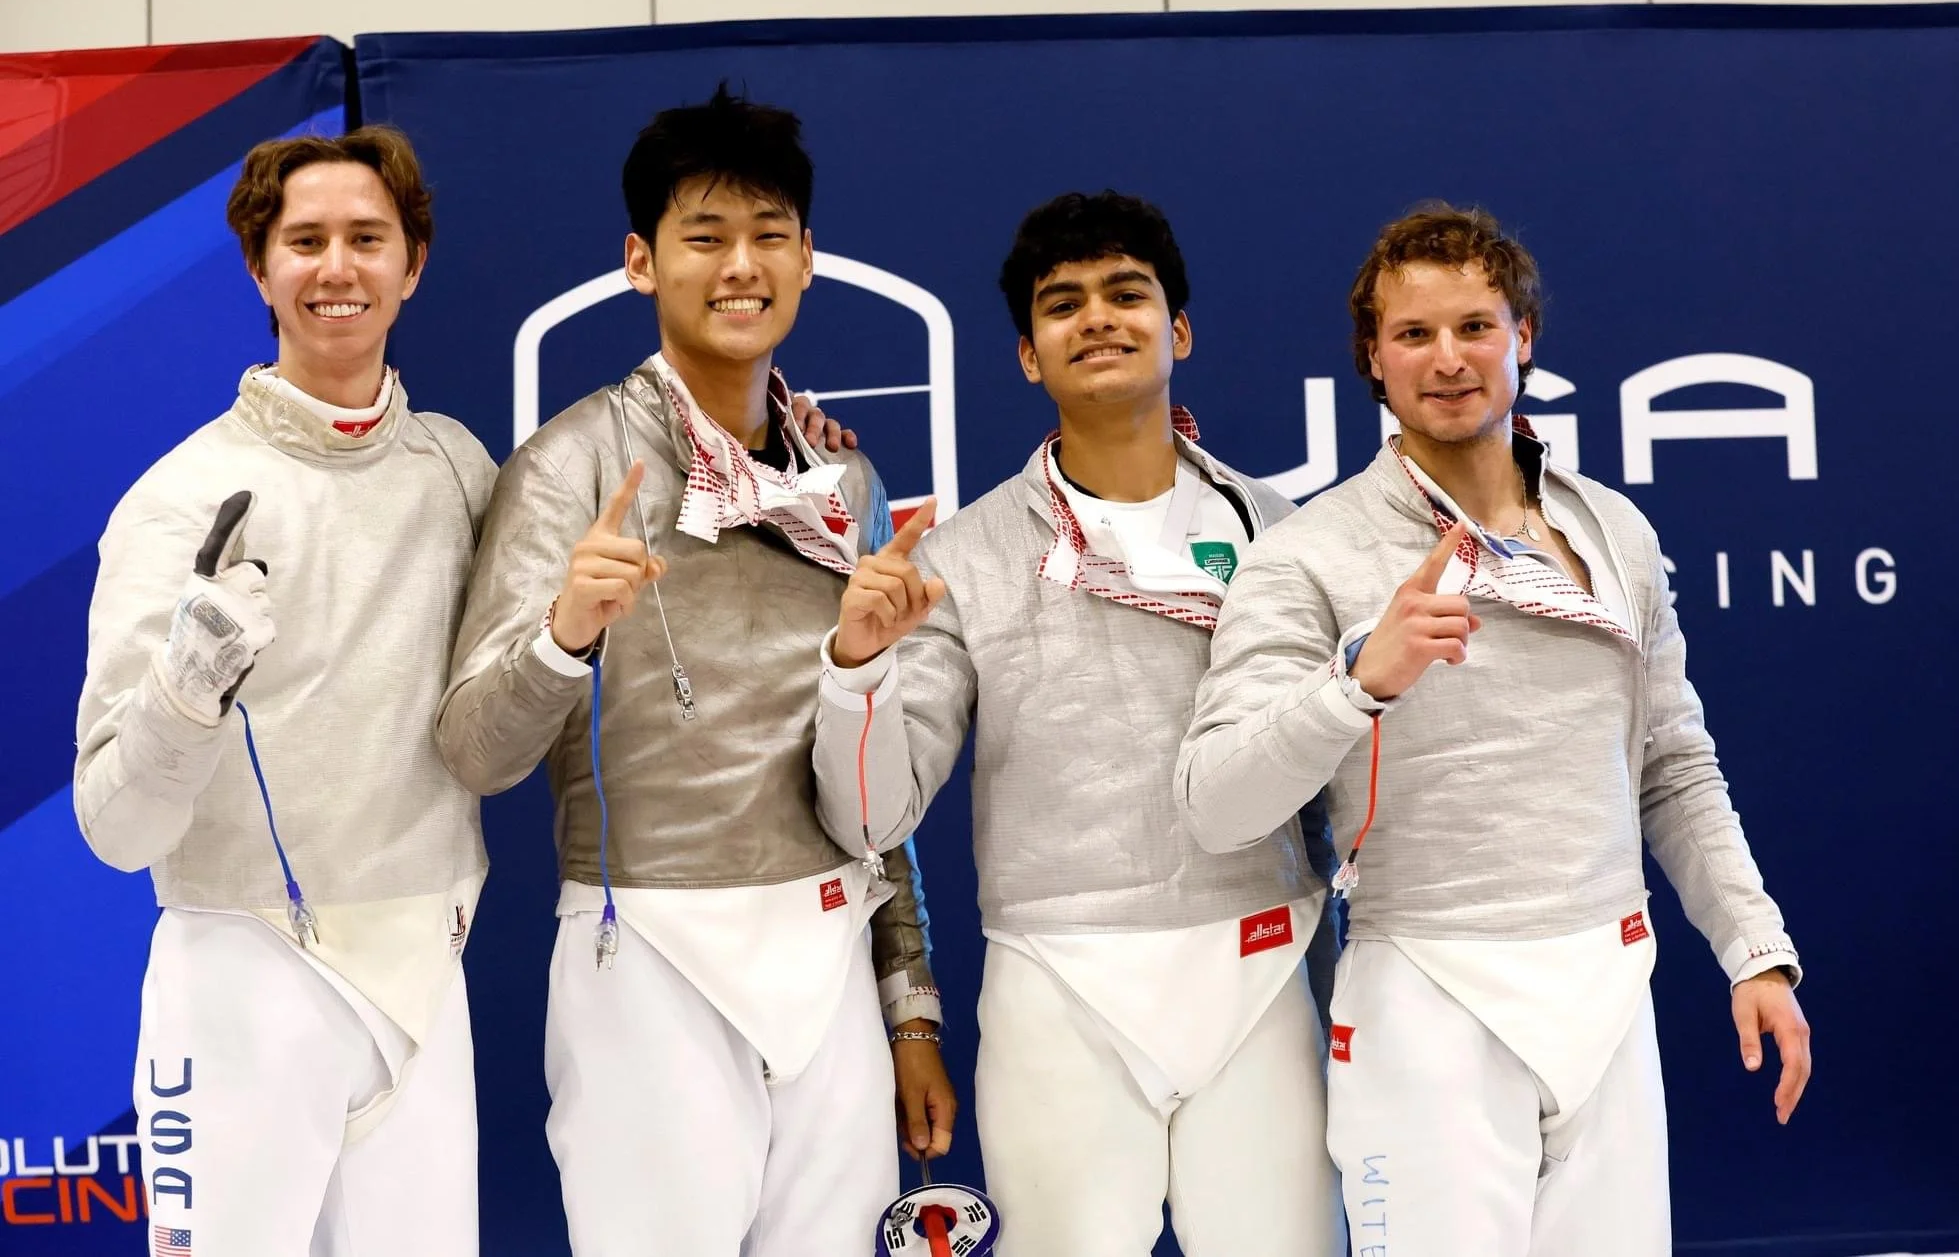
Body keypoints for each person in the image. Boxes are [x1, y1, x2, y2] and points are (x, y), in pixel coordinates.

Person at [1175, 202, 1812, 1256]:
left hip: (1606, 980)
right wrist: (1357, 683)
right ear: (1371, 363)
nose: (1447, 359)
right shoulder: (1308, 555)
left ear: (1523, 339)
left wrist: (1753, 951)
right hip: (1427, 998)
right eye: (1412, 334)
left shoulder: (1612, 528)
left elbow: (1671, 766)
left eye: (1473, 326)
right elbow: (1215, 804)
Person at [434, 85, 951, 1256]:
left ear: (808, 258)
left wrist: (907, 1009)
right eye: (704, 237)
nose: (740, 266)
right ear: (639, 261)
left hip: (826, 957)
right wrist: (564, 633)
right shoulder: (571, 463)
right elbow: (473, 747)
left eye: (768, 234)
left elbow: (872, 776)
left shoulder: (842, 480)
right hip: (647, 954)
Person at [812, 191, 1342, 1256]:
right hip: (1060, 984)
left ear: (1176, 329)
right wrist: (858, 665)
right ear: (1026, 355)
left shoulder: (1284, 536)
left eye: (1124, 294)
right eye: (1063, 304)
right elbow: (872, 808)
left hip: (1262, 960)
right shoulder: (956, 560)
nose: (1095, 318)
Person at [74, 126, 496, 1256]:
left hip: (422, 970)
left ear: (412, 266)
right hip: (244, 977)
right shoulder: (181, 499)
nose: (337, 268)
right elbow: (115, 830)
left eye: (368, 239)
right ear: (261, 268)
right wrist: (186, 687)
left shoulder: (457, 469)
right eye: (303, 241)